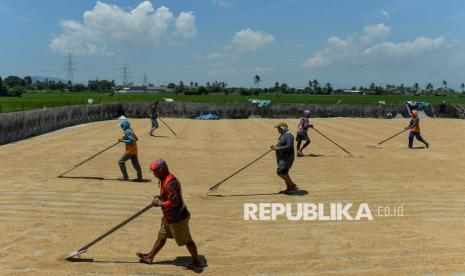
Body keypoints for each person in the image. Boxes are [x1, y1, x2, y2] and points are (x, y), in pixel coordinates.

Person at [137, 159, 201, 269]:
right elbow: (168, 197)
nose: (154, 174)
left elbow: (174, 202)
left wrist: (160, 203)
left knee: (187, 240)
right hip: (169, 217)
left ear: (160, 171)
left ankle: (196, 262)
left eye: (155, 171)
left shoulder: (169, 184)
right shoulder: (165, 179)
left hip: (178, 218)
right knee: (162, 235)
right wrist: (160, 197)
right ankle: (150, 257)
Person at [270, 122, 298, 194]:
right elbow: (280, 144)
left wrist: (277, 148)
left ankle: (292, 185)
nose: (278, 130)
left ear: (283, 128)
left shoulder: (289, 136)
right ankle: (289, 187)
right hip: (282, 158)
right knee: (284, 173)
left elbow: (289, 147)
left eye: (279, 128)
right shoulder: (283, 135)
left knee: (281, 172)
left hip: (287, 157)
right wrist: (275, 146)